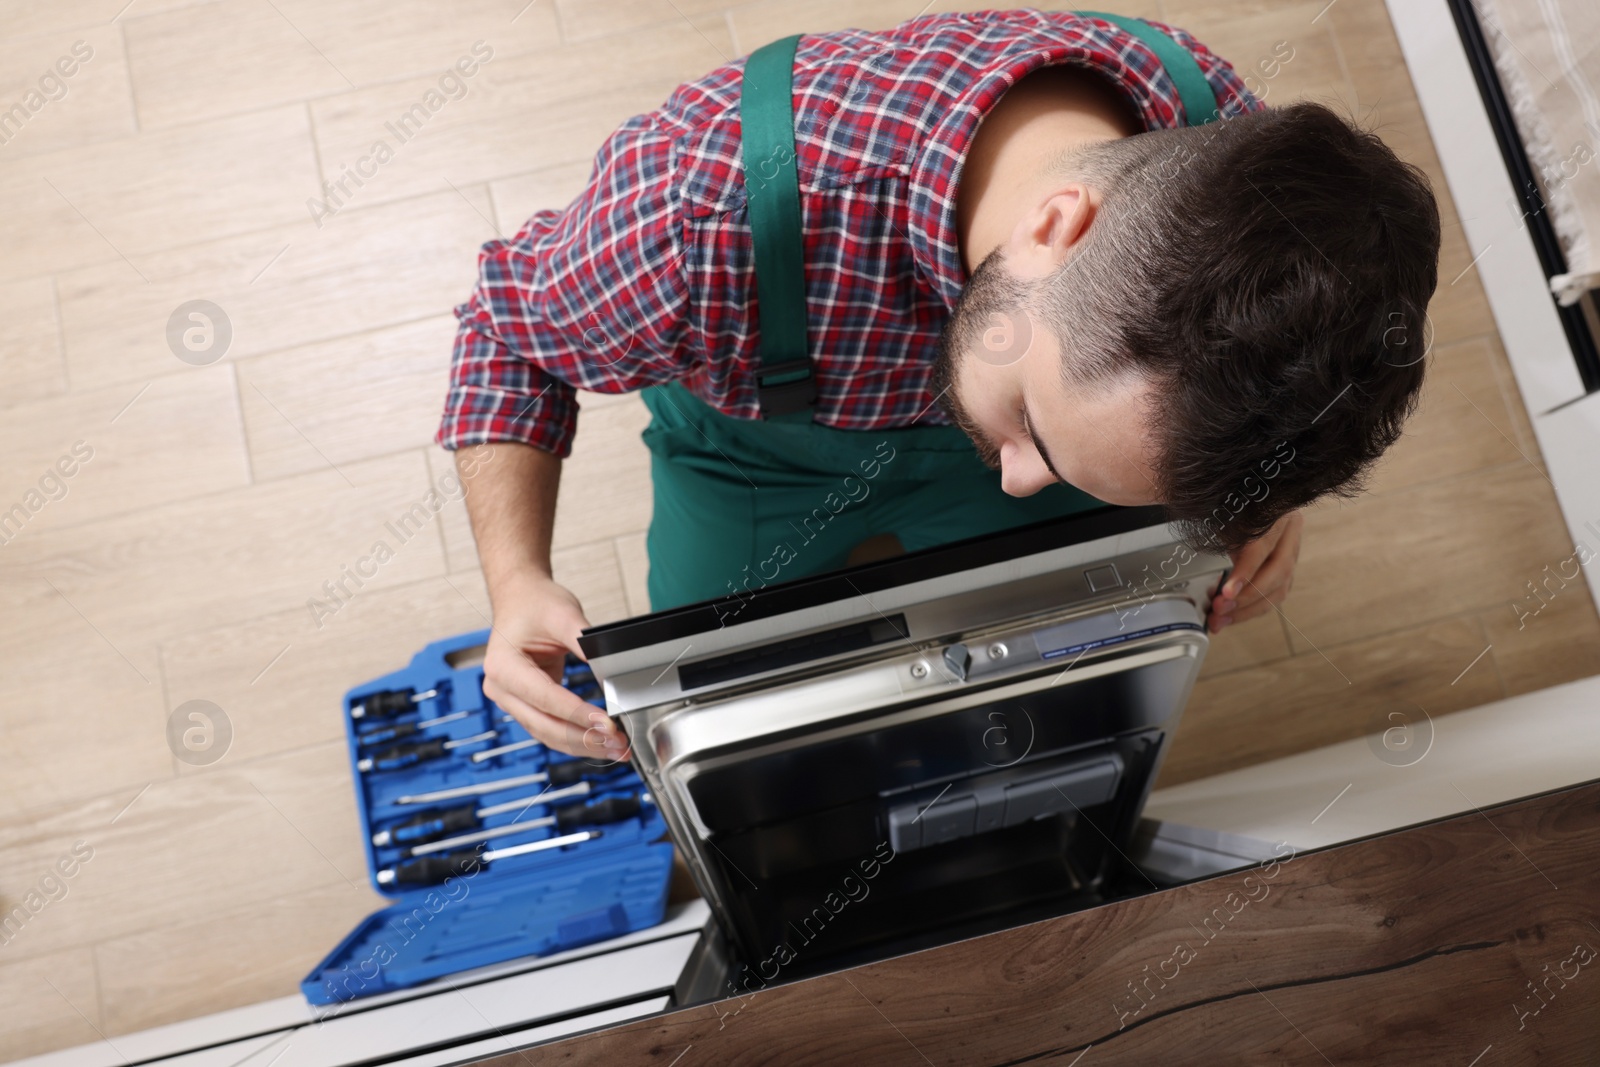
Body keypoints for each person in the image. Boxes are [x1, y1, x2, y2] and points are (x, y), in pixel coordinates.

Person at [437, 11, 1441, 760]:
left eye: (1058, 460)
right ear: (1056, 225)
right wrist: (517, 578)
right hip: (758, 455)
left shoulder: (1247, 180)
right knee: (715, 697)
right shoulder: (692, 216)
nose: (1015, 481)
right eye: (1031, 430)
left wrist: (1254, 489)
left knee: (1048, 690)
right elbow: (503, 334)